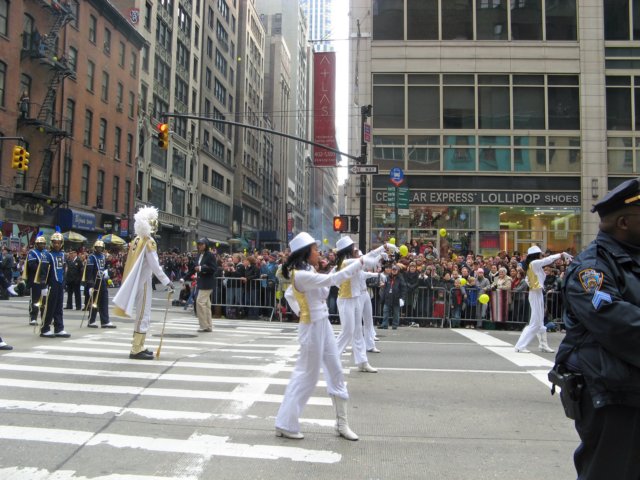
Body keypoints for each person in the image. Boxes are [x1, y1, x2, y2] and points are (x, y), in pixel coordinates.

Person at [553, 177, 640, 479]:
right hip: (613, 394)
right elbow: (616, 322)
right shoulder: (590, 268)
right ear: (624, 222)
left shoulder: (632, 259)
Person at [274, 232, 380, 441]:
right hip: (311, 328)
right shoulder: (301, 275)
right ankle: (286, 423)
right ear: (305, 253)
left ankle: (342, 424)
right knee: (307, 376)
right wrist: (359, 262)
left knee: (336, 370)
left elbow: (323, 286)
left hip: (323, 324)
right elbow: (333, 280)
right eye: (314, 249)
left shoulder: (309, 270)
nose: (318, 252)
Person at [113, 206, 174, 360]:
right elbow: (155, 266)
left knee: (142, 314)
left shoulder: (137, 239)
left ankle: (139, 345)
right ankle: (136, 348)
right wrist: (167, 281)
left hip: (138, 281)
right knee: (143, 315)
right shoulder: (148, 241)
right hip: (144, 282)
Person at [514, 245, 572, 353]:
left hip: (537, 292)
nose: (541, 256)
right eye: (540, 254)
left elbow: (528, 279)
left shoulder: (533, 266)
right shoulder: (534, 264)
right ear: (536, 255)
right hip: (535, 293)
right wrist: (561, 254)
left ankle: (543, 345)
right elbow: (547, 260)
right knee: (535, 322)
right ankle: (520, 346)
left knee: (539, 322)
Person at [39, 228, 70, 338]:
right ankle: (45, 328)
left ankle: (59, 328)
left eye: (59, 243)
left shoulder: (63, 255)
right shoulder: (47, 255)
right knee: (49, 307)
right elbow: (43, 272)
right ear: (51, 243)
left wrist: (64, 283)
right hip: (51, 284)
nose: (57, 244)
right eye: (55, 243)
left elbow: (63, 270)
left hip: (60, 284)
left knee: (59, 307)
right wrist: (43, 286)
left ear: (62, 243)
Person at [84, 237, 116, 328]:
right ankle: (91, 320)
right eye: (97, 247)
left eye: (101, 247)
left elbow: (105, 266)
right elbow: (89, 271)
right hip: (94, 281)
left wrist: (106, 273)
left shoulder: (103, 256)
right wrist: (90, 284)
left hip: (102, 280)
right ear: (95, 248)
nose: (99, 249)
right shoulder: (91, 257)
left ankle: (105, 321)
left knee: (104, 300)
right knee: (94, 301)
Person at [187, 238, 216, 332]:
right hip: (201, 282)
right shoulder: (198, 255)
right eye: (199, 244)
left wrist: (201, 268)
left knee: (199, 302)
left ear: (206, 245)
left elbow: (213, 268)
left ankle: (203, 325)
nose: (200, 245)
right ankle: (208, 326)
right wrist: (184, 277)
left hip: (208, 282)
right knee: (206, 305)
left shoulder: (210, 255)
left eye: (202, 244)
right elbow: (193, 268)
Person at [25, 233, 47, 326]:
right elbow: (32, 266)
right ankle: (33, 318)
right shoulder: (32, 253)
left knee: (44, 300)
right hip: (35, 280)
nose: (42, 245)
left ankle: (44, 317)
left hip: (44, 280)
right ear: (36, 244)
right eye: (40, 243)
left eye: (43, 243)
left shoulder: (46, 253)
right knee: (35, 300)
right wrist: (43, 267)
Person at [379, 264, 407, 330]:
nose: (394, 271)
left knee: (396, 313)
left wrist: (402, 298)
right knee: (385, 311)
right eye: (393, 270)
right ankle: (384, 325)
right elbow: (385, 287)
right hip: (388, 297)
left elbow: (404, 288)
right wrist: (383, 297)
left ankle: (395, 325)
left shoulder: (400, 278)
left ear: (398, 271)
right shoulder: (388, 277)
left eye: (395, 270)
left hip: (396, 298)